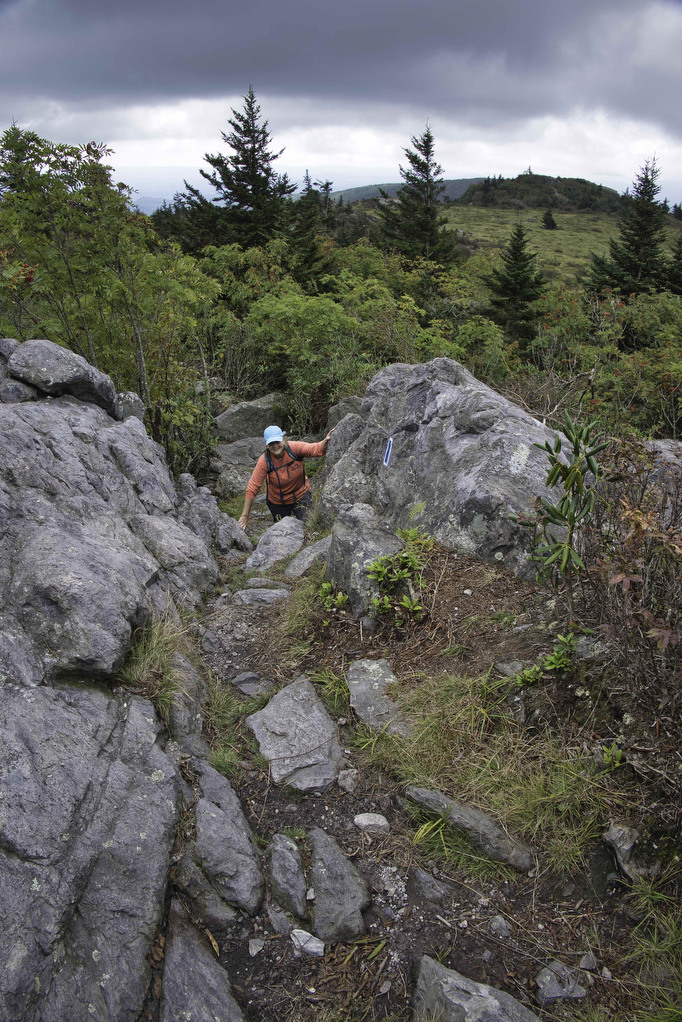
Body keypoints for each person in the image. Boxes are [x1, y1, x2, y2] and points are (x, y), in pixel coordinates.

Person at [238, 424, 335, 531]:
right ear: (266, 445)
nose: (275, 446)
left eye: (277, 442)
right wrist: (244, 516)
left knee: (309, 527)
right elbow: (252, 487)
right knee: (282, 531)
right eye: (271, 443)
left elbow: (314, 449)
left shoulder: (294, 448)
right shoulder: (265, 460)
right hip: (278, 502)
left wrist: (325, 440)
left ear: (283, 439)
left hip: (301, 495)